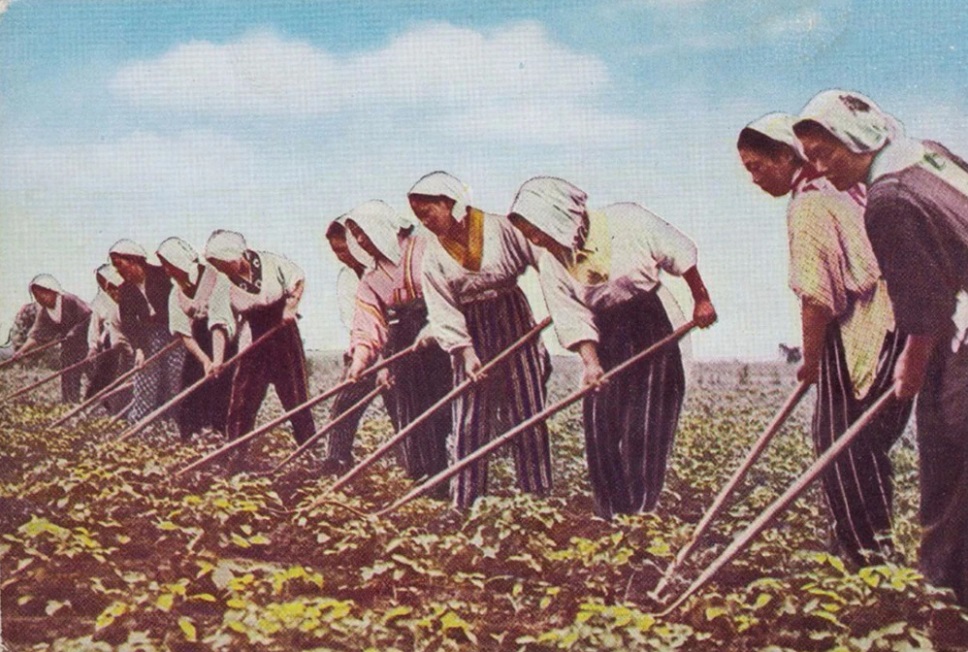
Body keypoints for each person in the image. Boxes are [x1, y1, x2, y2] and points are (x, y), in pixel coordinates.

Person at [793, 89, 968, 604]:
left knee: (950, 478)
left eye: (826, 152)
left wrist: (910, 373)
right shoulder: (929, 155)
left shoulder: (889, 199)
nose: (821, 169)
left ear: (861, 138)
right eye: (811, 159)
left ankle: (947, 613)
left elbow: (924, 307)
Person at [738, 113, 912, 566]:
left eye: (758, 166)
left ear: (785, 157)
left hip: (868, 325)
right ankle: (865, 548)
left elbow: (817, 296)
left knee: (845, 443)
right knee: (858, 442)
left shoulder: (811, 203)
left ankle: (866, 557)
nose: (754, 180)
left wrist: (810, 360)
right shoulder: (842, 186)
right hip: (895, 322)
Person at [507, 176, 716, 518]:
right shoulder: (553, 261)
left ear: (556, 215)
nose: (535, 239)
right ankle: (610, 515)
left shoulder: (627, 219)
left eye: (536, 229)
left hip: (650, 321)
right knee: (599, 426)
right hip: (603, 334)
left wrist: (701, 299)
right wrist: (590, 363)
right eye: (529, 233)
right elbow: (570, 314)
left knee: (645, 425)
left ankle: (639, 514)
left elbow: (679, 253)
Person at [408, 171, 552, 510]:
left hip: (512, 315)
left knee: (527, 407)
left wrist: (559, 301)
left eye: (427, 213)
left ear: (447, 203)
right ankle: (465, 501)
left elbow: (546, 260)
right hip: (469, 325)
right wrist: (466, 352)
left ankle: (537, 498)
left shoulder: (501, 227)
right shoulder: (433, 256)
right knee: (469, 418)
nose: (424, 222)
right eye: (418, 218)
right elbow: (442, 307)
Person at [344, 200, 451, 481]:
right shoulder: (371, 277)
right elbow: (369, 323)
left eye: (363, 232)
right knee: (414, 408)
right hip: (405, 340)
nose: (359, 240)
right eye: (354, 235)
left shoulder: (424, 244)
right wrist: (360, 360)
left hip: (443, 326)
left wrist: (435, 325)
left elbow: (453, 284)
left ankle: (462, 472)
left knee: (448, 403)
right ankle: (429, 475)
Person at [204, 230, 315, 457]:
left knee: (295, 396)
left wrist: (291, 306)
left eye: (224, 263)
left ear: (237, 256)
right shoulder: (223, 284)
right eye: (217, 265)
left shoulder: (269, 262)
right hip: (255, 337)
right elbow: (219, 322)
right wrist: (217, 360)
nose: (221, 269)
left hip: (283, 334)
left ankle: (309, 451)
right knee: (242, 399)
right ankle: (236, 454)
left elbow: (298, 278)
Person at [156, 237, 237, 441]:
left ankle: (219, 438)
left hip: (224, 340)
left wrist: (217, 361)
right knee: (190, 390)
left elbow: (219, 321)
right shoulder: (176, 292)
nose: (166, 271)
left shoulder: (216, 278)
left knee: (221, 391)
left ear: (179, 262)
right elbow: (184, 332)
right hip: (199, 342)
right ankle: (190, 439)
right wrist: (204, 360)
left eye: (169, 265)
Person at [320, 217, 379, 473]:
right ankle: (336, 461)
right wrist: (359, 352)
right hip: (363, 349)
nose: (339, 257)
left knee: (401, 407)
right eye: (335, 251)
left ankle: (416, 467)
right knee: (344, 404)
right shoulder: (346, 277)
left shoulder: (380, 267)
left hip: (395, 345)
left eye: (342, 250)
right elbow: (351, 318)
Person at [109, 239, 184, 422]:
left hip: (176, 331)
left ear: (134, 260)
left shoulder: (161, 275)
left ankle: (175, 421)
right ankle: (140, 421)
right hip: (149, 336)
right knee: (145, 376)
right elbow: (129, 324)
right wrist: (140, 349)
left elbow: (180, 302)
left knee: (175, 377)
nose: (118, 270)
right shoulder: (125, 290)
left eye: (120, 264)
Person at [13, 274, 92, 402]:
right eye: (36, 296)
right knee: (69, 376)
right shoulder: (44, 312)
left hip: (89, 342)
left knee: (95, 374)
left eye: (41, 295)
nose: (39, 299)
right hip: (69, 347)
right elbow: (37, 335)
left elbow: (89, 317)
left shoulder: (69, 300)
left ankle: (105, 405)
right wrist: (22, 350)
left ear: (52, 291)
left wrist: (75, 332)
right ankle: (70, 404)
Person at [85, 264, 134, 414]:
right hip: (110, 341)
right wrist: (93, 346)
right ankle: (95, 401)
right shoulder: (100, 300)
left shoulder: (130, 293)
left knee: (126, 375)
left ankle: (120, 406)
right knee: (105, 373)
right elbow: (94, 325)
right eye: (100, 281)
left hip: (132, 337)